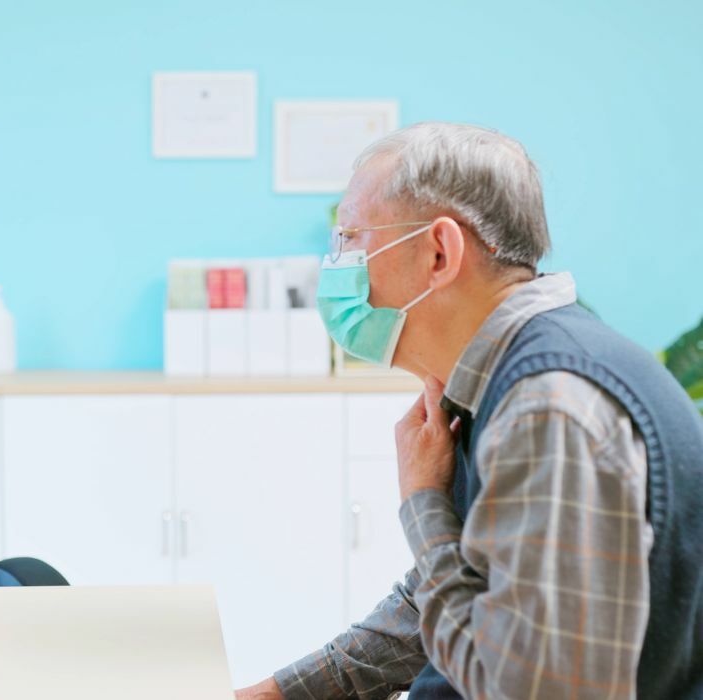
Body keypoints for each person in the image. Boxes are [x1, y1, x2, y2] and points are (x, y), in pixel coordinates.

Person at [237, 122, 703, 698]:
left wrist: (423, 503)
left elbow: (535, 689)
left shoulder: (549, 408)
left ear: (439, 252)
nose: (335, 266)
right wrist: (272, 696)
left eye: (350, 240)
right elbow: (447, 600)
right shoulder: (504, 378)